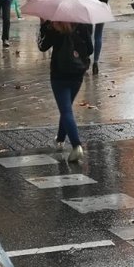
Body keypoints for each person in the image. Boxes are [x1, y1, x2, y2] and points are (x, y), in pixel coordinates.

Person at [37, 19, 93, 163]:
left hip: (59, 74)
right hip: (77, 73)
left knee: (66, 110)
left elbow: (42, 46)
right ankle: (60, 138)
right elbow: (90, 49)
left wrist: (43, 26)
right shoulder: (81, 24)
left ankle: (76, 145)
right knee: (66, 109)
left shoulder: (53, 26)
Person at [75, 0, 114, 76]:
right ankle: (96, 62)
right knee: (98, 35)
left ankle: (86, 59)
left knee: (87, 34)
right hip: (101, 7)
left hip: (88, 7)